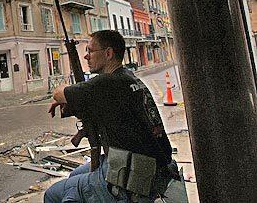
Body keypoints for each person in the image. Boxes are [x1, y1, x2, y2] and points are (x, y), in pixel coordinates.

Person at [45, 30, 179, 203]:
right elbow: (108, 108)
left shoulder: (106, 83)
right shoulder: (128, 78)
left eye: (90, 51)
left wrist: (67, 95)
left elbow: (58, 93)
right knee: (75, 174)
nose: (86, 57)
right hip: (152, 167)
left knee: (53, 195)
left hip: (133, 179)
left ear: (108, 53)